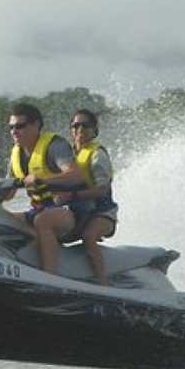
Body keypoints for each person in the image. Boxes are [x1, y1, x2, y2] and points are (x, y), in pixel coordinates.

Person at [0, 103, 83, 275]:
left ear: (36, 125)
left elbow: (75, 175)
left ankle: (50, 278)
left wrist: (41, 179)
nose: (14, 131)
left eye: (20, 126)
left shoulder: (55, 145)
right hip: (38, 211)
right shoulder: (16, 155)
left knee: (42, 220)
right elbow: (8, 193)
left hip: (72, 212)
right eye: (11, 127)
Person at [66, 108, 117, 286]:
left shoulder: (97, 155)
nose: (80, 129)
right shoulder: (66, 156)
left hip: (102, 213)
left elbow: (102, 190)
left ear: (94, 130)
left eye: (85, 126)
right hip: (77, 213)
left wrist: (72, 194)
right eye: (76, 125)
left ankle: (103, 285)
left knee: (88, 236)